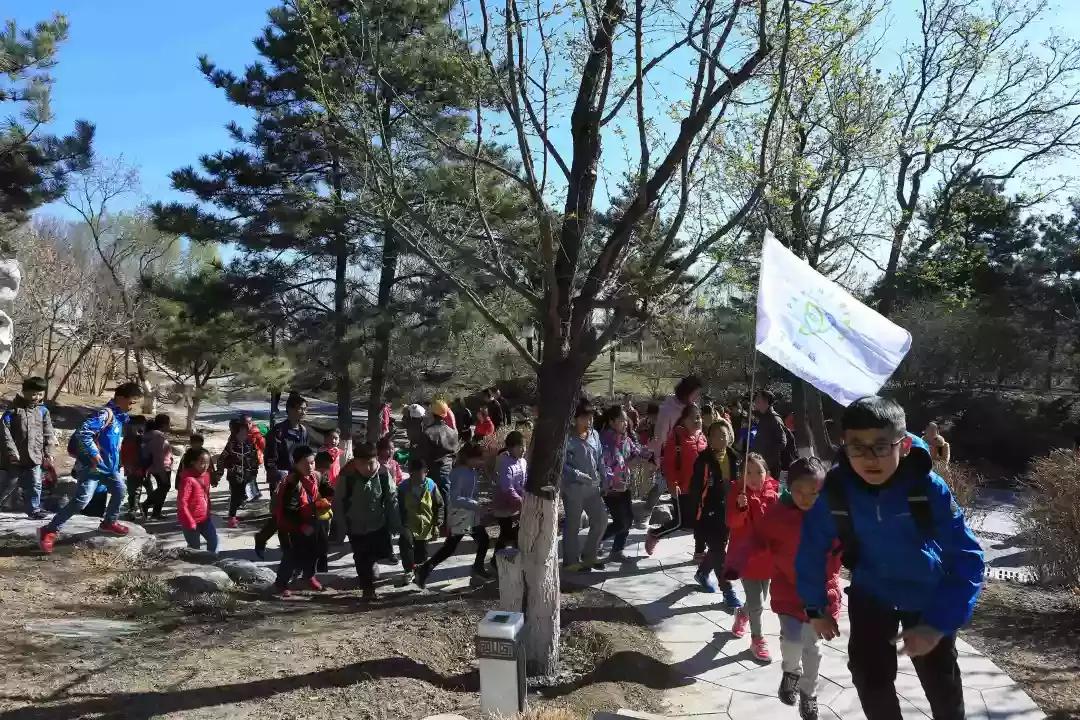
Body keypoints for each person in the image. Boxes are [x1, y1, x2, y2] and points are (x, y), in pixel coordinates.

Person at [796, 396, 985, 720]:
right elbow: (811, 550)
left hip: (927, 595)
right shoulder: (837, 492)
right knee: (870, 678)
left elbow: (968, 558)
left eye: (881, 446)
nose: (869, 458)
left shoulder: (927, 489)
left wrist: (938, 625)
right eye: (857, 446)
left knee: (942, 685)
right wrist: (815, 608)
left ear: (905, 445)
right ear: (844, 445)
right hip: (872, 592)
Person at [757, 457, 837, 720]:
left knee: (812, 648)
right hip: (788, 590)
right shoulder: (778, 515)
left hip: (818, 592)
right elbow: (760, 538)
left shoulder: (830, 518)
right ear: (789, 487)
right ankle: (791, 671)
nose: (806, 498)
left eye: (814, 492)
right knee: (791, 640)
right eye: (799, 491)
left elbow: (837, 555)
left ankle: (809, 693)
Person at [38, 382, 144, 553]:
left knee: (120, 490)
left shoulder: (119, 417)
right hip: (92, 467)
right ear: (120, 398)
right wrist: (94, 454)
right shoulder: (105, 414)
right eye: (131, 402)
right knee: (81, 500)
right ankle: (49, 530)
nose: (132, 407)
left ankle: (109, 522)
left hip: (110, 468)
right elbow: (84, 433)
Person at [727, 452, 780, 662]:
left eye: (759, 471)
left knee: (761, 598)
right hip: (746, 555)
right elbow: (733, 522)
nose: (754, 476)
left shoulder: (774, 492)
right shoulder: (737, 493)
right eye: (748, 472)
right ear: (742, 475)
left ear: (766, 473)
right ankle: (757, 639)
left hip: (768, 556)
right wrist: (741, 507)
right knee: (757, 602)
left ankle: (742, 614)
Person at [415, 443, 490, 588]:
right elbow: (455, 498)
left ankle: (425, 569)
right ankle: (477, 569)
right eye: (480, 459)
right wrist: (476, 504)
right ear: (470, 458)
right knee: (456, 546)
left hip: (468, 514)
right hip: (460, 515)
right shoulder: (461, 472)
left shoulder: (471, 471)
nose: (483, 463)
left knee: (455, 546)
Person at [688, 420, 740, 608]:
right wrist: (695, 516)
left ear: (729, 437)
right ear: (709, 438)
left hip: (729, 511)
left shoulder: (735, 458)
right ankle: (728, 591)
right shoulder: (703, 461)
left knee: (719, 547)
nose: (720, 439)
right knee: (719, 550)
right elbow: (695, 489)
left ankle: (702, 573)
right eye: (716, 435)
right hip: (708, 512)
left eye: (724, 435)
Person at [336, 441, 397, 599]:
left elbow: (391, 499)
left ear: (377, 459)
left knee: (375, 554)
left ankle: (370, 572)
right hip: (355, 526)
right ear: (355, 463)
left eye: (371, 463)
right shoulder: (346, 476)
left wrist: (396, 523)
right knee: (362, 557)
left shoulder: (383, 474)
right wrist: (340, 527)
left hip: (378, 524)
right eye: (363, 464)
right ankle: (367, 589)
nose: (368, 468)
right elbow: (338, 503)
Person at [640, 375, 703, 527]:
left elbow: (698, 430)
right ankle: (647, 513)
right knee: (663, 484)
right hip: (672, 453)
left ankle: (686, 518)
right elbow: (660, 436)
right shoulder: (668, 409)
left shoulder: (693, 406)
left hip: (692, 452)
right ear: (687, 391)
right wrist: (656, 458)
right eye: (696, 393)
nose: (697, 397)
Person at [645, 403, 707, 556]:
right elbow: (668, 465)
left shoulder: (702, 437)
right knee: (680, 522)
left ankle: (700, 552)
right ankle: (654, 534)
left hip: (700, 488)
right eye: (693, 418)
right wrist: (672, 484)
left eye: (699, 418)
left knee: (699, 521)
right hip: (681, 487)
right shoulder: (676, 438)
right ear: (683, 420)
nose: (697, 421)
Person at [255, 393, 309, 558]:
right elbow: (270, 458)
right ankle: (287, 549)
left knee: (293, 514)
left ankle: (268, 539)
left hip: (298, 480)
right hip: (281, 479)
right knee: (282, 514)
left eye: (305, 409)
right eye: (300, 409)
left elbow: (305, 455)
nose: (303, 412)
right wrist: (278, 477)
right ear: (290, 410)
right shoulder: (278, 432)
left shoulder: (303, 431)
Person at [599, 406, 651, 562]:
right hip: (611, 488)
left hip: (625, 485)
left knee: (627, 520)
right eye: (621, 420)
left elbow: (638, 451)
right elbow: (607, 466)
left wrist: (650, 452)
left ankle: (617, 550)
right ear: (611, 421)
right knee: (621, 522)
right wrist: (629, 463)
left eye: (625, 420)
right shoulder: (604, 441)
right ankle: (595, 541)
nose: (625, 423)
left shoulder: (626, 439)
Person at [562, 400, 609, 572]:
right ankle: (570, 561)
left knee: (601, 520)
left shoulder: (594, 435)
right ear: (575, 419)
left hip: (593, 488)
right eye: (584, 418)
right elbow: (561, 464)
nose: (589, 421)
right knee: (573, 524)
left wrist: (605, 477)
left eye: (591, 417)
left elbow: (600, 458)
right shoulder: (567, 437)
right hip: (573, 488)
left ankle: (590, 555)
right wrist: (577, 475)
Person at [272, 445, 324, 596]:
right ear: (296, 464)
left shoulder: (314, 477)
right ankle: (281, 584)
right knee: (292, 555)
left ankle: (309, 576)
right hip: (292, 526)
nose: (310, 466)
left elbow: (323, 494)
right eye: (306, 463)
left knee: (314, 551)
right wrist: (301, 526)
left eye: (312, 462)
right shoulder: (292, 483)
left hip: (310, 522)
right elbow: (290, 511)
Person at [0, 376, 55, 519]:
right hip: (15, 457)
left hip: (35, 455)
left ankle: (34, 510)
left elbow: (48, 433)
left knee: (35, 483)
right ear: (24, 392)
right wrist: (12, 452)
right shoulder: (13, 411)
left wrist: (48, 452)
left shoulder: (43, 411)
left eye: (40, 394)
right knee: (9, 484)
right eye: (34, 393)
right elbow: (5, 433)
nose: (37, 397)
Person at [397, 456, 444, 587]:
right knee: (405, 544)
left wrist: (438, 521)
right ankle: (408, 570)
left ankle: (419, 571)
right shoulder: (403, 488)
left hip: (425, 525)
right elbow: (398, 506)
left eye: (421, 475)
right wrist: (398, 523)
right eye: (415, 475)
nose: (418, 479)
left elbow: (439, 504)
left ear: (426, 472)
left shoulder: (431, 485)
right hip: (408, 524)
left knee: (422, 552)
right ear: (410, 473)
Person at [491, 430, 527, 558]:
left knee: (515, 532)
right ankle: (497, 560)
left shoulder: (522, 461)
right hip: (503, 505)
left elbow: (524, 482)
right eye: (520, 447)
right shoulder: (504, 462)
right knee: (507, 533)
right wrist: (521, 501)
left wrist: (526, 496)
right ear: (511, 447)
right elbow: (507, 487)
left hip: (517, 505)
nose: (523, 450)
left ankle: (514, 557)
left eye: (524, 446)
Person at [176, 447, 218, 555]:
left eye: (208, 463)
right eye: (202, 463)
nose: (205, 466)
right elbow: (182, 503)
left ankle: (212, 562)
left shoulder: (206, 476)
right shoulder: (188, 480)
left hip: (204, 519)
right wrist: (190, 521)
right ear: (193, 462)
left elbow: (206, 496)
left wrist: (208, 512)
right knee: (195, 549)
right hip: (190, 521)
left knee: (214, 541)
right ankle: (196, 568)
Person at [220, 418, 260, 528]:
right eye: (241, 432)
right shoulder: (231, 445)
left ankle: (235, 510)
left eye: (245, 432)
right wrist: (219, 473)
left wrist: (254, 472)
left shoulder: (249, 444)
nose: (244, 434)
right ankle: (231, 517)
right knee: (235, 495)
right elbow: (222, 459)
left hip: (246, 475)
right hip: (234, 475)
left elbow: (254, 458)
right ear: (236, 433)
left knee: (242, 496)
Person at [421, 400, 460, 505]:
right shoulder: (453, 432)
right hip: (451, 469)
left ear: (433, 414)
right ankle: (447, 521)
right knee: (447, 500)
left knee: (435, 502)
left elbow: (424, 456)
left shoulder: (428, 433)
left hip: (435, 471)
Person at [142, 413, 174, 519]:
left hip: (157, 466)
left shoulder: (150, 434)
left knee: (163, 488)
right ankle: (146, 504)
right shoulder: (158, 436)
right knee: (164, 487)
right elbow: (158, 456)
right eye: (169, 424)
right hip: (161, 467)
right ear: (164, 424)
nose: (170, 426)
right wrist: (162, 472)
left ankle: (156, 512)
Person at [751, 389, 788, 478]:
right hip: (760, 463)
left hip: (770, 466)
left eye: (758, 399)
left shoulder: (774, 419)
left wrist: (769, 457)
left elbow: (782, 442)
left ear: (766, 401)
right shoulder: (763, 417)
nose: (755, 401)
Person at [120, 415, 149, 521]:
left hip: (137, 468)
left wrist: (141, 467)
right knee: (134, 489)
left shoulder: (139, 439)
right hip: (131, 467)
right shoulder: (130, 439)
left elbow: (143, 455)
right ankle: (137, 508)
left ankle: (134, 510)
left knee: (135, 489)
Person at [242, 413, 266, 499]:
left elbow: (263, 444)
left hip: (254, 458)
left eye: (249, 423)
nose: (248, 425)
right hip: (245, 458)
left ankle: (252, 494)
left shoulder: (255, 432)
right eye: (246, 423)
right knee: (249, 476)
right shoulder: (241, 432)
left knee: (251, 476)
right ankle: (255, 493)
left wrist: (264, 455)